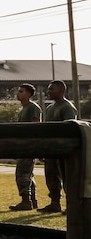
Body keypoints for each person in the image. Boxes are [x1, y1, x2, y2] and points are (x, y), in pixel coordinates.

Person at [41, 80, 78, 213]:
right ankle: (54, 202)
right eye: (49, 89)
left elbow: (70, 129)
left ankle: (72, 205)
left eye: (52, 89)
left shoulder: (67, 107)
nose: (48, 92)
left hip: (63, 149)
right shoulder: (50, 108)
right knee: (51, 176)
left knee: (67, 177)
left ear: (61, 91)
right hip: (51, 149)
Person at [9, 84, 42, 211]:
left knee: (22, 174)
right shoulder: (23, 109)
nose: (18, 94)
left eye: (21, 91)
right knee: (28, 175)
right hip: (23, 145)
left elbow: (35, 127)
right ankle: (32, 201)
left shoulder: (33, 108)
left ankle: (25, 200)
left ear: (29, 94)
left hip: (28, 146)